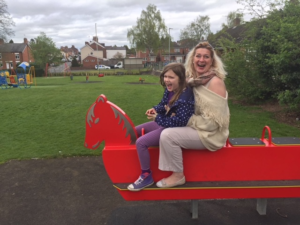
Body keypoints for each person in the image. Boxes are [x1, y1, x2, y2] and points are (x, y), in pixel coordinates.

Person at [156, 42, 230, 188]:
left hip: (211, 134)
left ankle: (178, 176)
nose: (201, 60)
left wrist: (184, 119)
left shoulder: (215, 83)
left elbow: (213, 123)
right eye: (198, 56)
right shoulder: (192, 80)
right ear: (192, 59)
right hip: (198, 127)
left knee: (168, 135)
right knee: (156, 126)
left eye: (206, 57)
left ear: (212, 61)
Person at [127, 63, 195, 191]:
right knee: (133, 131)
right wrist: (155, 109)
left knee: (141, 143)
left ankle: (146, 176)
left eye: (171, 77)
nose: (166, 80)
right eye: (165, 76)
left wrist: (157, 118)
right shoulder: (169, 90)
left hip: (172, 129)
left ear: (180, 78)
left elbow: (180, 122)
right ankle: (124, 162)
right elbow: (163, 105)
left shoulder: (185, 96)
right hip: (164, 122)